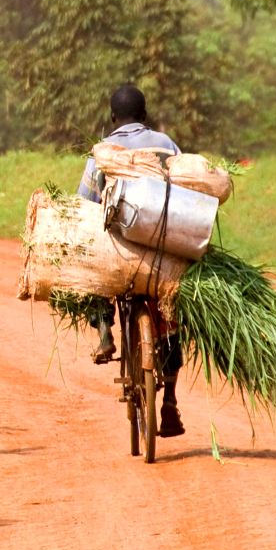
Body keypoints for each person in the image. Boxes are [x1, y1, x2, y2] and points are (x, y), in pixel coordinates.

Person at [76, 84, 185, 438]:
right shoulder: (166, 144)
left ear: (112, 118)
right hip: (160, 250)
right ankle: (169, 401)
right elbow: (185, 188)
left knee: (88, 263)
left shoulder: (102, 151)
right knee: (173, 313)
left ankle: (104, 327)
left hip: (118, 251)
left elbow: (87, 202)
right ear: (145, 115)